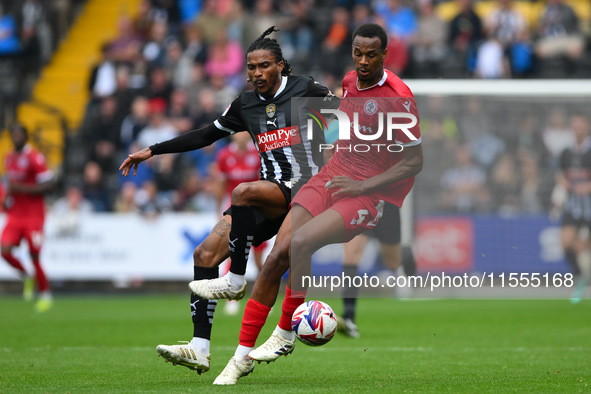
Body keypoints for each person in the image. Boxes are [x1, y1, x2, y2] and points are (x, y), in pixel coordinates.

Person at [200, 23, 423, 385]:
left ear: (385, 54)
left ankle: (286, 333)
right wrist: (329, 151)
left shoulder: (399, 95)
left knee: (301, 243)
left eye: (371, 55)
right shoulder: (350, 81)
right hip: (332, 176)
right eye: (357, 53)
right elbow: (341, 125)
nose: (363, 61)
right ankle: (240, 358)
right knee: (277, 255)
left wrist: (361, 182)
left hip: (369, 193)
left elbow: (414, 161)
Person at [119, 26, 337, 375]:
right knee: (203, 255)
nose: (256, 73)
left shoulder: (306, 89)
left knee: (243, 193)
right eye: (251, 68)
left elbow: (344, 113)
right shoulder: (246, 104)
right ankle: (200, 349)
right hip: (270, 197)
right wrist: (153, 150)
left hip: (304, 191)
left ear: (280, 66)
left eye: (264, 66)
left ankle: (236, 281)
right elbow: (206, 135)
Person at [1, 123, 55, 312]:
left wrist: (21, 188)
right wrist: (5, 198)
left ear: (26, 136)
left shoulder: (34, 157)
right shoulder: (9, 157)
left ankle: (45, 294)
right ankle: (26, 276)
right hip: (15, 214)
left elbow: (48, 184)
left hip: (34, 215)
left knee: (34, 255)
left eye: (19, 134)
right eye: (13, 134)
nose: (16, 137)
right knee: (5, 250)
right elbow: (9, 184)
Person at [554, 114, 591, 303]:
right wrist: (562, 182)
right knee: (566, 242)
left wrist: (588, 186)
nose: (578, 130)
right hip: (574, 206)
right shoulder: (566, 152)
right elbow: (559, 174)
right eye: (575, 127)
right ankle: (580, 278)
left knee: (585, 247)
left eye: (581, 126)